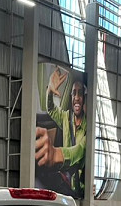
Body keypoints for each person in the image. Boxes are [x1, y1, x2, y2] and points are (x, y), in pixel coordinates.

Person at [35, 66, 86, 197]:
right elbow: (51, 109)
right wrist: (50, 92)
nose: (77, 97)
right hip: (66, 180)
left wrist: (55, 154)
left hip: (80, 187)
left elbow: (79, 151)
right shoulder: (66, 117)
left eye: (80, 93)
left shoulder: (88, 127)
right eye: (74, 93)